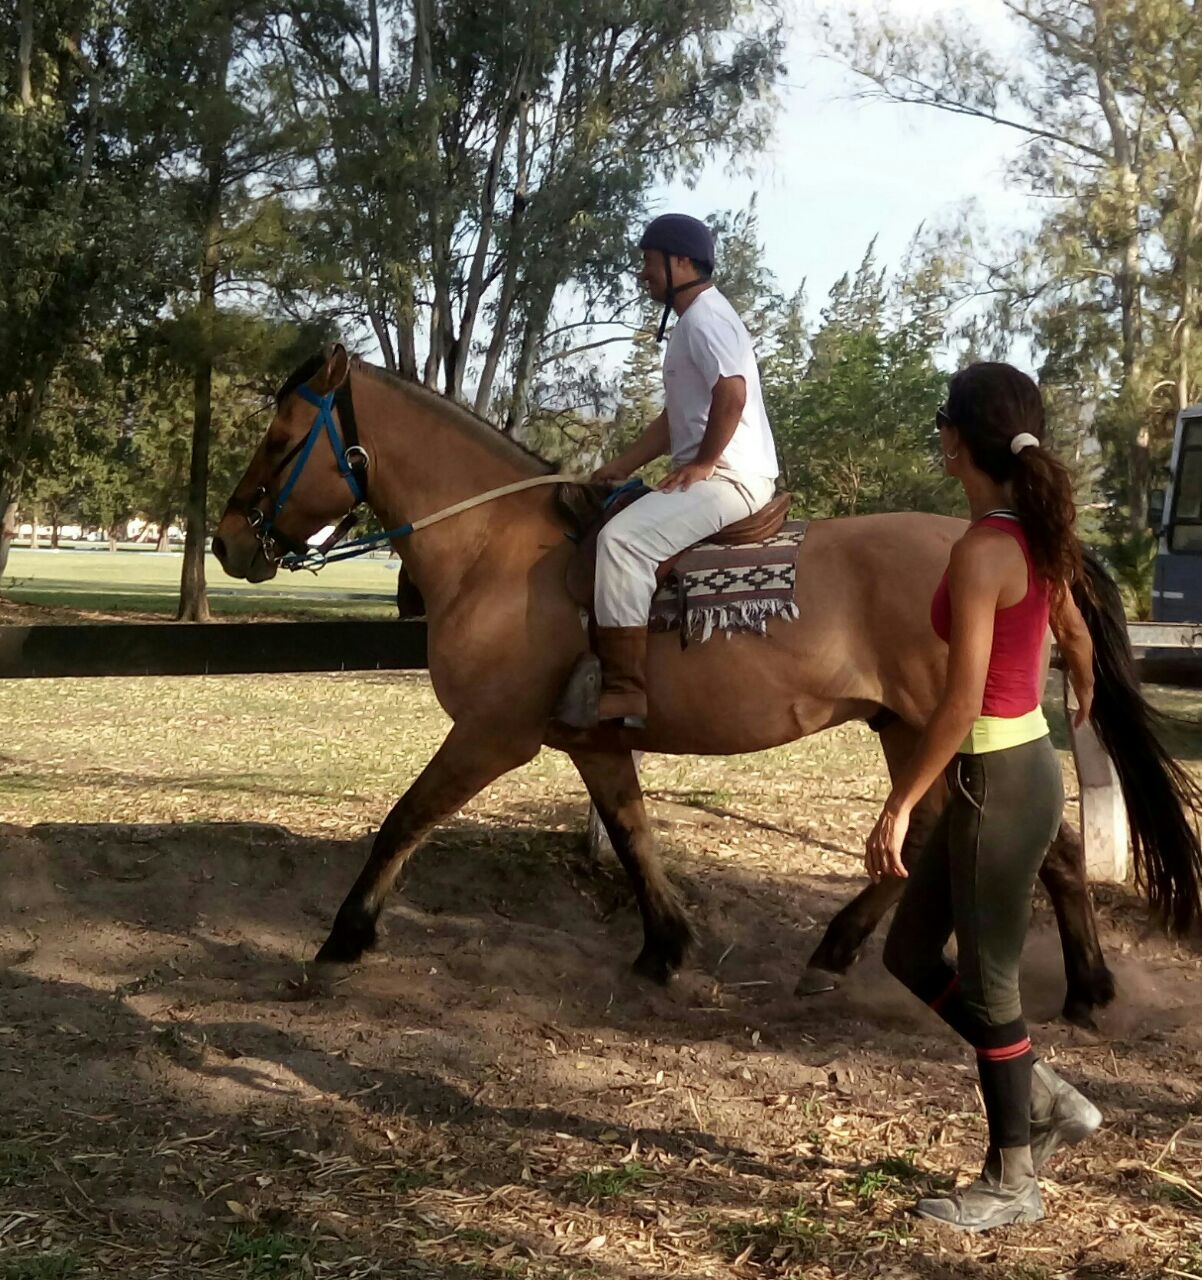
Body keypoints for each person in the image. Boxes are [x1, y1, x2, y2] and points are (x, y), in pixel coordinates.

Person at [865, 362, 1103, 1231]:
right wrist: (1082, 674)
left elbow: (961, 701)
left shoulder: (982, 550)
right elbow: (1071, 628)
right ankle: (1045, 1097)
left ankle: (1012, 1180)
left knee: (992, 986)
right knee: (909, 951)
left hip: (995, 782)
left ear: (953, 439)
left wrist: (900, 803)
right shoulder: (1033, 533)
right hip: (1017, 769)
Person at [557, 213, 779, 730]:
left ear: (680, 262)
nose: (643, 273)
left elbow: (732, 393)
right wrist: (621, 466)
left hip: (732, 479)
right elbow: (674, 418)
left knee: (621, 542)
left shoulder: (705, 319)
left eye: (649, 262)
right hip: (720, 473)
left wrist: (704, 463)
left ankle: (625, 690)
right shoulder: (693, 321)